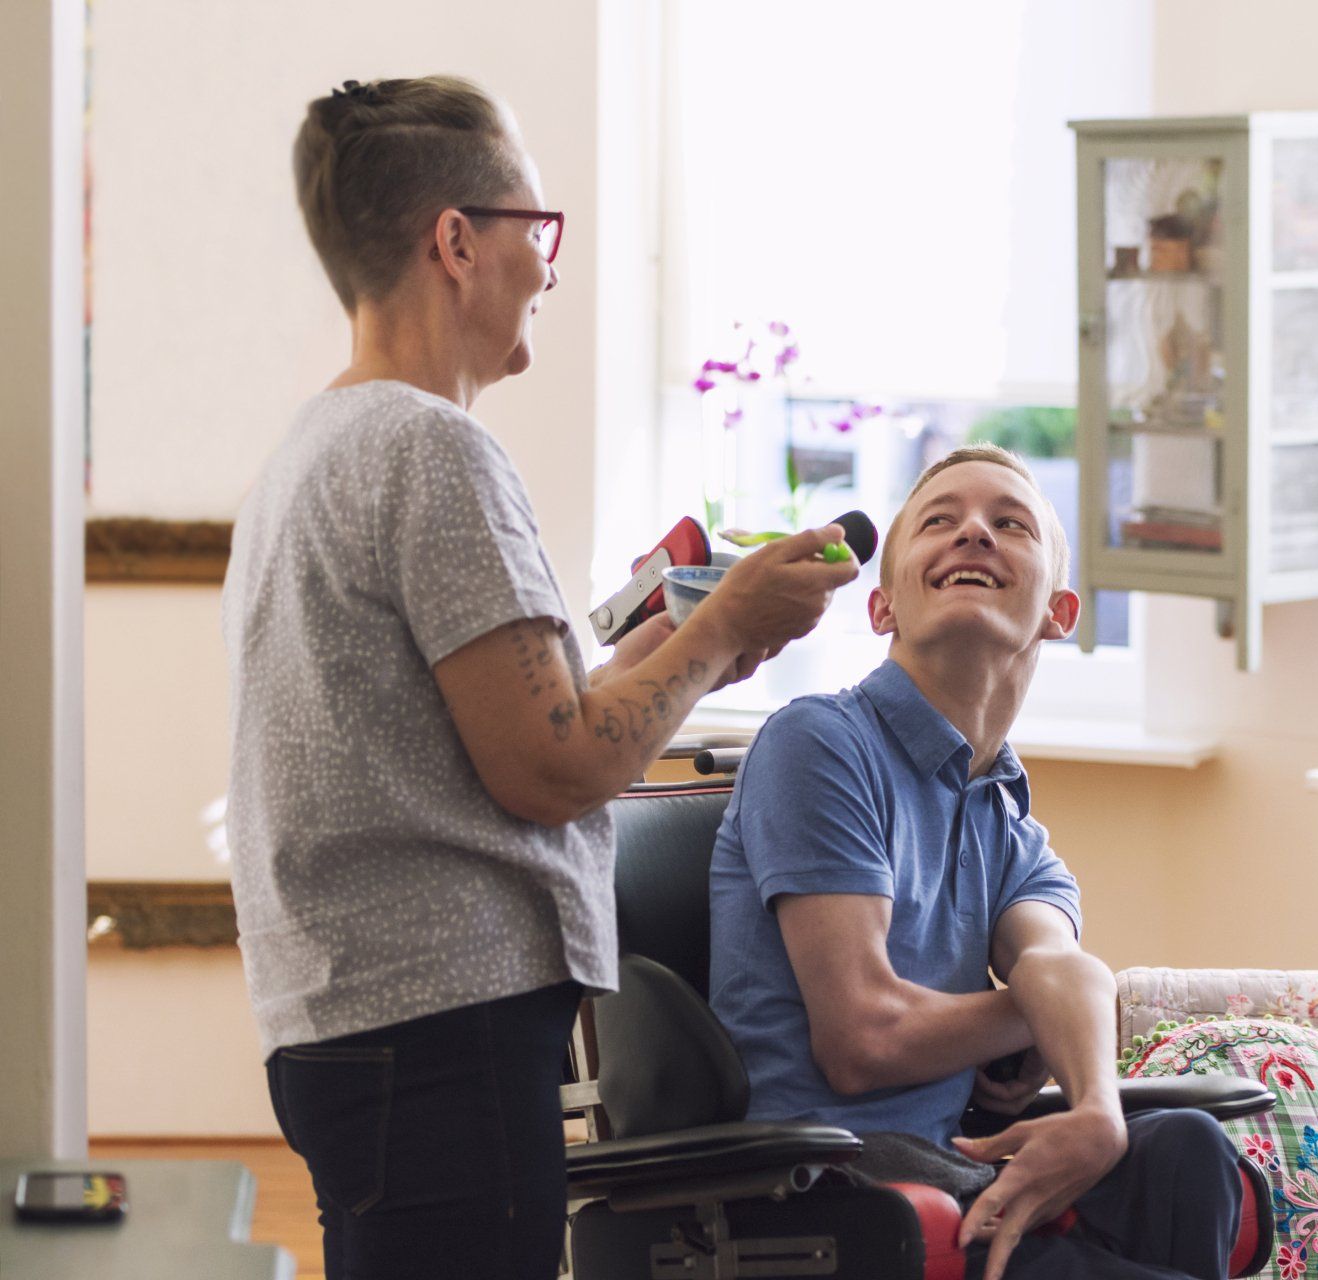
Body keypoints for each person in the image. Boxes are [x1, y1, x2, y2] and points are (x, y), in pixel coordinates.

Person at [221, 76, 859, 1280]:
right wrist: (719, 628)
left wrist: (660, 650)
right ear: (455, 241)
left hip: (356, 1022)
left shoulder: (316, 447)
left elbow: (492, 725)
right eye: (538, 231)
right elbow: (555, 765)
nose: (551, 270)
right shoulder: (433, 449)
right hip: (442, 1029)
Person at [708, 444, 1244, 1280]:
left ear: (1060, 612)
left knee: (1186, 1149)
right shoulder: (818, 743)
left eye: (1009, 523)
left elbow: (1062, 965)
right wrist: (1036, 1011)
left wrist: (1097, 1108)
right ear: (882, 607)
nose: (974, 536)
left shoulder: (1009, 822)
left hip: (954, 1166)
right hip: (833, 1188)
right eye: (939, 522)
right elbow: (862, 1037)